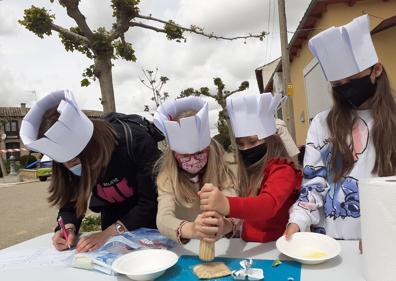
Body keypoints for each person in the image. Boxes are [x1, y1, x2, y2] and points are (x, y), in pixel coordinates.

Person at [285, 15, 396, 240]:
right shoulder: (322, 123)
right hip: (331, 243)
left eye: (352, 80)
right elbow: (314, 183)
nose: (346, 89)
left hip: (386, 241)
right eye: (337, 85)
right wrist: (297, 220)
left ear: (376, 70)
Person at [20, 90, 162, 252]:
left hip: (151, 220)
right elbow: (71, 200)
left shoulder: (135, 141)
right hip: (112, 215)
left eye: (75, 160)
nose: (72, 167)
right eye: (65, 162)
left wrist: (107, 234)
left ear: (92, 145)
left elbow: (151, 201)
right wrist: (67, 227)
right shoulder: (65, 159)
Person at [199, 92, 302, 242]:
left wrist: (226, 203)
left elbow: (267, 205)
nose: (246, 149)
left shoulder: (283, 170)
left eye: (253, 142)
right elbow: (247, 215)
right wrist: (226, 226)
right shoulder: (252, 171)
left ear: (272, 140)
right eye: (240, 144)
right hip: (249, 248)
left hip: (277, 251)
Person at [153, 97, 238, 243]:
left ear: (208, 148)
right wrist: (192, 229)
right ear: (174, 155)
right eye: (185, 156)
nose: (193, 160)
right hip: (186, 246)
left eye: (199, 153)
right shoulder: (167, 177)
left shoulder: (224, 170)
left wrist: (225, 225)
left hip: (224, 245)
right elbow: (163, 219)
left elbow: (235, 205)